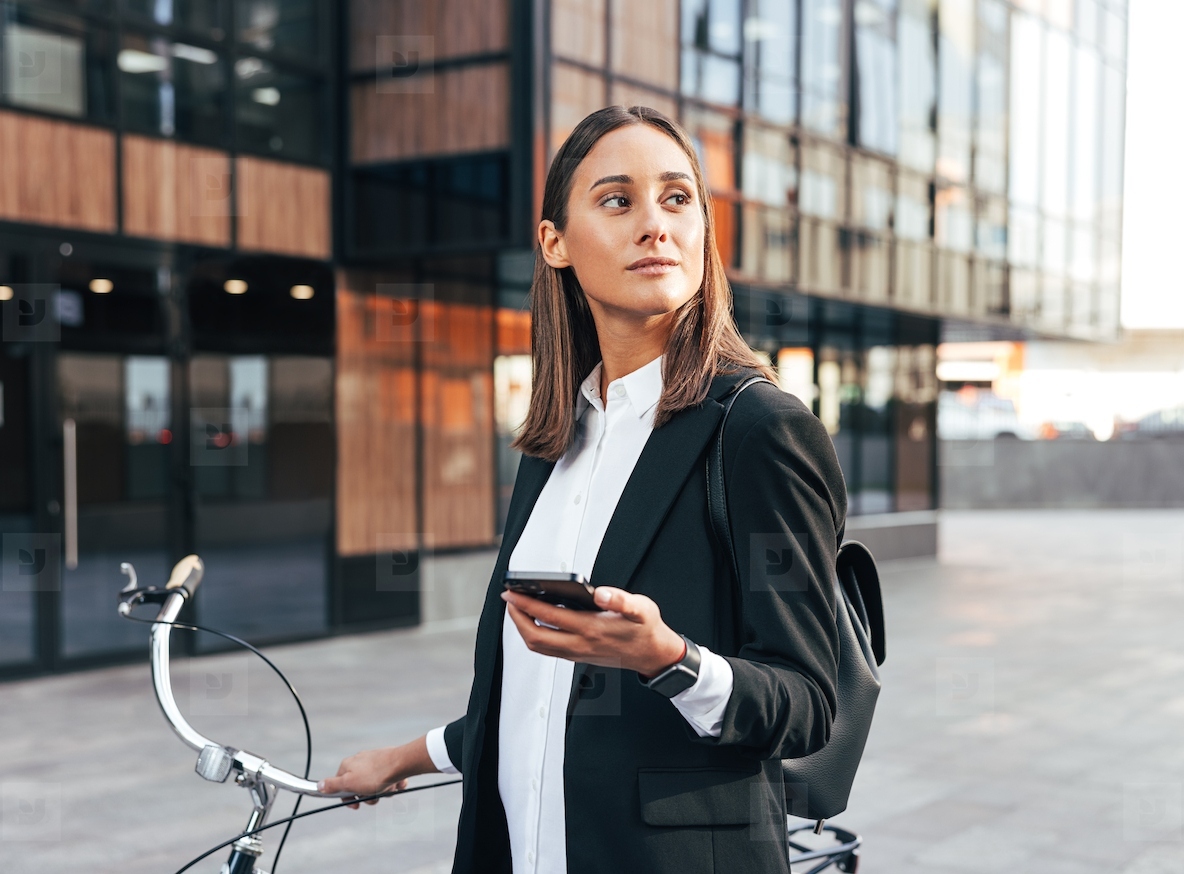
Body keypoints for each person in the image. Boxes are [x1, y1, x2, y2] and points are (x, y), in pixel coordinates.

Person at [321, 105, 847, 874]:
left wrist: (668, 658)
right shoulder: (557, 440)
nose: (654, 226)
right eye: (616, 200)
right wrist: (407, 756)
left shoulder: (758, 429)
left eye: (676, 198)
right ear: (554, 243)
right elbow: (536, 697)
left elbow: (808, 705)